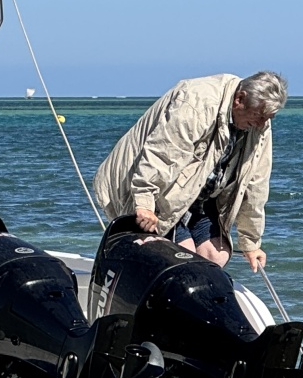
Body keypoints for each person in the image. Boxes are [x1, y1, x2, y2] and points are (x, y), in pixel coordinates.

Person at [92, 71, 287, 271]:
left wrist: (251, 242)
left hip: (198, 194)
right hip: (152, 186)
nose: (261, 124)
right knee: (182, 256)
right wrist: (144, 202)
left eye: (268, 118)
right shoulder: (196, 101)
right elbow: (162, 155)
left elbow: (255, 184)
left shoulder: (260, 124)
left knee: (216, 255)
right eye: (259, 116)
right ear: (239, 99)